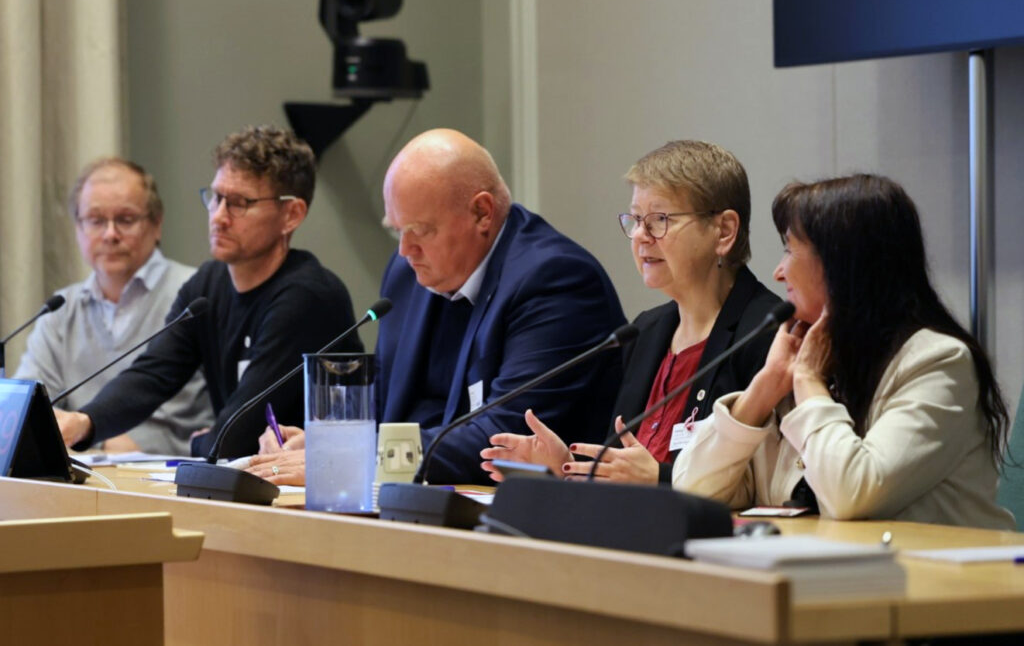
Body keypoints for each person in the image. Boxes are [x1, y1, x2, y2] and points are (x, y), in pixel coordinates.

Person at [246, 128, 625, 485]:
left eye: (420, 230)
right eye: (397, 230)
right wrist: (323, 442)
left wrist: (349, 458)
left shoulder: (555, 280)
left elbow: (504, 437)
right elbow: (385, 405)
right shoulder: (407, 273)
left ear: (482, 213)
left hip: (524, 523)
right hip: (415, 501)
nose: (404, 250)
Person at [674, 174, 1015, 529]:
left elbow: (853, 493)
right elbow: (693, 492)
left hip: (940, 580)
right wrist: (766, 386)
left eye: (789, 249)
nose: (778, 272)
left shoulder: (937, 363)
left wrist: (808, 382)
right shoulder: (795, 360)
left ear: (842, 265)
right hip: (817, 575)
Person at [480, 140, 780, 484]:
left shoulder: (766, 334)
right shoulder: (646, 332)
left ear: (724, 231)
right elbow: (625, 470)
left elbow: (760, 488)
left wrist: (660, 479)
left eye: (659, 220)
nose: (639, 236)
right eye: (636, 220)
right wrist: (568, 468)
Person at [55, 125, 361, 458]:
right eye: (216, 198)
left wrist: (199, 442)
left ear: (291, 215)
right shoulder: (208, 285)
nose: (219, 216)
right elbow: (154, 373)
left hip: (321, 487)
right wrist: (83, 422)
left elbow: (235, 436)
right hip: (253, 480)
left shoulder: (307, 297)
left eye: (240, 203)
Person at [15, 158, 213, 455]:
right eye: (95, 220)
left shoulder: (197, 296)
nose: (110, 234)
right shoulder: (60, 310)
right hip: (80, 471)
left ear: (156, 224)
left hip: (173, 474)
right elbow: (26, 412)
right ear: (78, 228)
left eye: (125, 219)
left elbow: (197, 418)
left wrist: (89, 437)